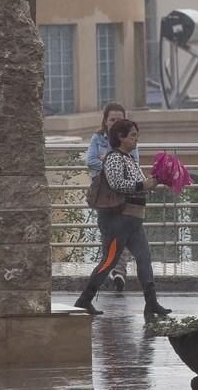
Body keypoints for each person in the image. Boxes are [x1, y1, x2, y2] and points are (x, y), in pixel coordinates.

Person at [75, 119, 172, 317]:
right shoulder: (114, 158)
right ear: (120, 137)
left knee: (144, 258)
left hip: (134, 220)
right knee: (109, 260)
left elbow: (137, 185)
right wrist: (144, 185)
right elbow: (117, 184)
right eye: (133, 135)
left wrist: (151, 183)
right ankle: (84, 299)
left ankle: (151, 302)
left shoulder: (129, 159)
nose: (136, 139)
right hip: (118, 220)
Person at [86, 102, 139, 292]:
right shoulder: (98, 139)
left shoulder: (129, 138)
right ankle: (106, 275)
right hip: (103, 195)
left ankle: (119, 273)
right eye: (112, 119)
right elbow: (90, 160)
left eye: (119, 119)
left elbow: (134, 164)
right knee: (108, 234)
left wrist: (106, 162)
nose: (115, 123)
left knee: (122, 234)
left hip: (123, 194)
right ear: (105, 121)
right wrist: (114, 167)